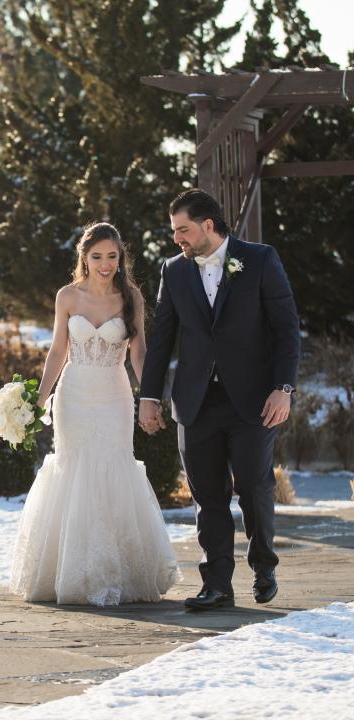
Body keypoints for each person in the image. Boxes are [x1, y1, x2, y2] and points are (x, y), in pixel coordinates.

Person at [139, 188, 300, 611]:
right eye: (174, 231)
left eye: (183, 230)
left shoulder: (261, 259)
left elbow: (286, 330)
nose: (178, 239)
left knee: (254, 486)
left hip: (254, 401)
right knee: (207, 496)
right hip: (195, 402)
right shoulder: (173, 271)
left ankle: (264, 566)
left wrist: (283, 389)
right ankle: (217, 586)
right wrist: (149, 396)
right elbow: (162, 341)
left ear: (208, 225)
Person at [10, 222, 180, 606]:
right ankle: (69, 572)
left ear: (121, 259)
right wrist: (39, 400)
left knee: (114, 468)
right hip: (73, 396)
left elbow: (139, 352)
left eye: (113, 257)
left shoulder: (130, 297)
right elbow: (57, 351)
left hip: (115, 394)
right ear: (84, 258)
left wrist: (149, 396)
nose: (106, 264)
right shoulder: (67, 296)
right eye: (98, 257)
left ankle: (116, 572)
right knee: (74, 470)